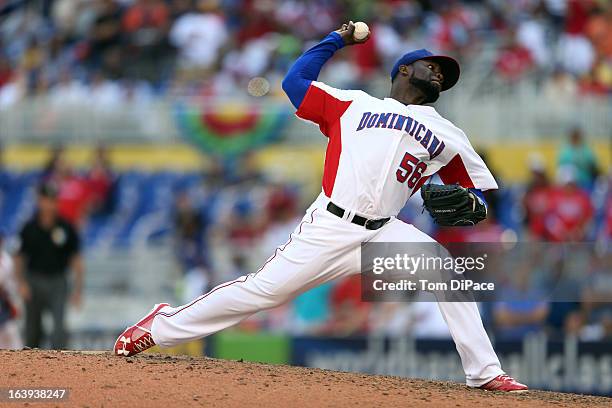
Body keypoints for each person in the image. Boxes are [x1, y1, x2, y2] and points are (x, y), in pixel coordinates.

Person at [114, 21, 527, 392]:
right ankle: (161, 324)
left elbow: (481, 197)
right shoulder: (354, 104)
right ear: (404, 69)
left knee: (444, 268)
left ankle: (485, 372)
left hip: (383, 231)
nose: (439, 73)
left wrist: (472, 205)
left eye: (445, 74)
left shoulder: (448, 133)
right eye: (432, 66)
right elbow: (295, 82)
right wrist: (335, 40)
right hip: (329, 225)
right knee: (263, 292)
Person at [15, 183, 84, 349]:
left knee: (59, 329)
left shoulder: (66, 227)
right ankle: (31, 369)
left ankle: (60, 369)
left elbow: (77, 261)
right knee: (32, 330)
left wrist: (78, 290)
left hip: (58, 282)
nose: (48, 205)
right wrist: (21, 283)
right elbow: (20, 258)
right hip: (34, 281)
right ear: (39, 201)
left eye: (52, 200)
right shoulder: (29, 228)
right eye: (45, 200)